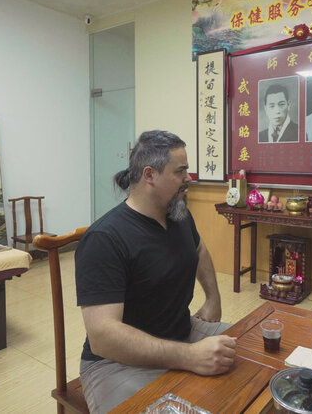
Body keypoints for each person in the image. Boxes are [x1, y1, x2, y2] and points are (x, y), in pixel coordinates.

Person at [75, 130, 236, 413]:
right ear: (149, 175)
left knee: (253, 354)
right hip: (117, 363)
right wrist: (190, 356)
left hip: (181, 332)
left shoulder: (179, 215)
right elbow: (103, 336)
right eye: (180, 171)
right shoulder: (105, 238)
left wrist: (213, 299)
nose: (189, 178)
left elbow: (198, 250)